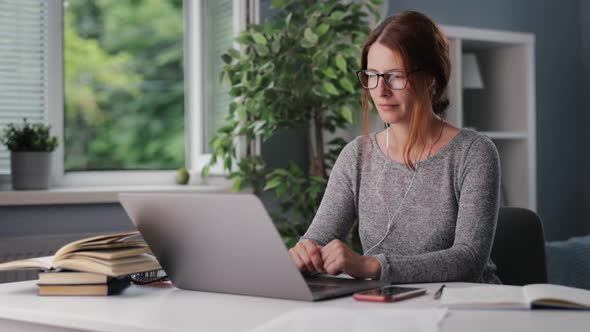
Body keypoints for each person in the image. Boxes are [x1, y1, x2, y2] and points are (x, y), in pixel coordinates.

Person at [288, 11, 501, 284]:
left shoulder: (474, 153)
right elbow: (317, 239)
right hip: (388, 308)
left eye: (395, 76)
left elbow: (469, 259)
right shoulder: (356, 156)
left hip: (464, 309)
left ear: (432, 78)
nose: (380, 90)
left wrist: (372, 266)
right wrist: (305, 253)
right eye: (372, 75)